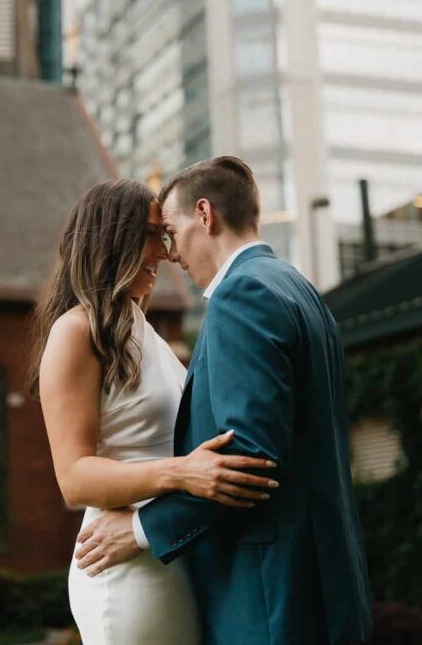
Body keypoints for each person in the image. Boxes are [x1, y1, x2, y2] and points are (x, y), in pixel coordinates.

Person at [75, 157, 372, 645]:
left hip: (269, 595)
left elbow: (250, 457)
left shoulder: (242, 296)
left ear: (205, 215)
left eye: (170, 231)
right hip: (325, 584)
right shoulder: (299, 289)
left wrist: (142, 528)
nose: (170, 253)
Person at [30, 179, 279, 645]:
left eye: (164, 236)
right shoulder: (75, 331)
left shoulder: (143, 330)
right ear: (110, 237)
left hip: (169, 554)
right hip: (124, 571)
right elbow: (74, 478)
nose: (164, 252)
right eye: (149, 234)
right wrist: (182, 473)